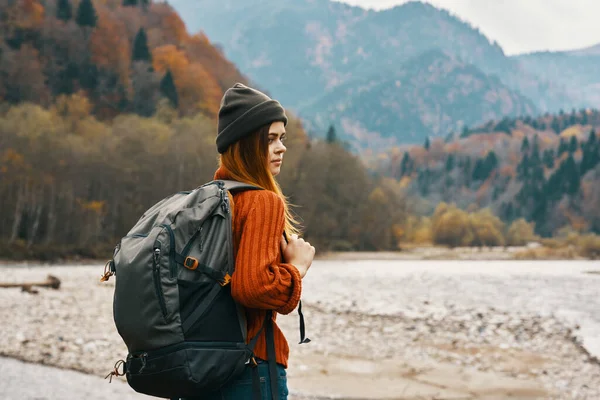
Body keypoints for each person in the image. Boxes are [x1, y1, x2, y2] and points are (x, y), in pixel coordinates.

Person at [192, 83, 315, 399]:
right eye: (270, 139)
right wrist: (296, 269)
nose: (281, 147)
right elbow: (253, 287)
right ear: (246, 143)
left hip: (199, 366)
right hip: (250, 369)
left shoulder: (207, 198)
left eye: (282, 138)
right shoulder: (262, 202)